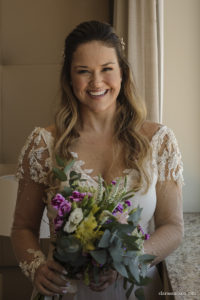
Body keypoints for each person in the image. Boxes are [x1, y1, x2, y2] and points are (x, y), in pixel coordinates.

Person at [11, 20, 184, 300]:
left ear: (122, 74)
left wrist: (129, 259)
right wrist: (37, 268)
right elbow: (22, 228)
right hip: (65, 292)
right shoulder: (44, 144)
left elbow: (173, 227)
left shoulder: (158, 141)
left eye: (106, 69)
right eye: (83, 72)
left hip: (135, 288)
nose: (96, 82)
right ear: (69, 78)